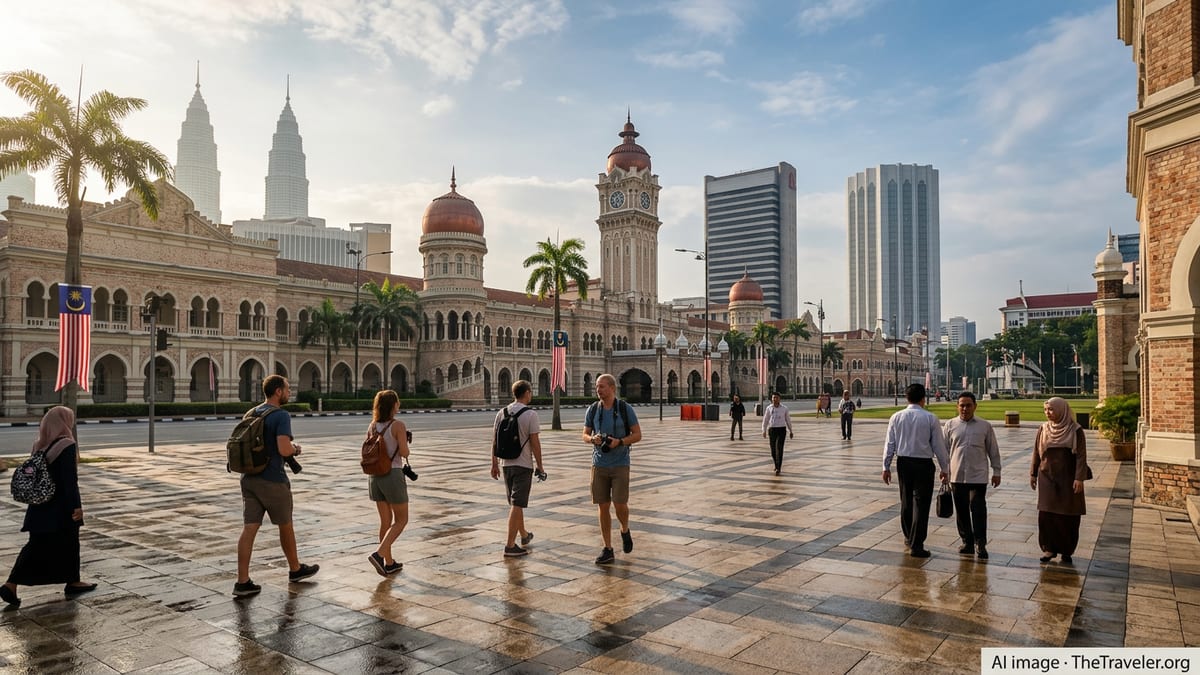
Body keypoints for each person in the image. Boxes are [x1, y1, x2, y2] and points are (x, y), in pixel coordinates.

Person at [1, 407, 97, 608]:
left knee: (37, 544)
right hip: (61, 506)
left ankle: (69, 580)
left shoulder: (40, 445)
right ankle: (14, 584)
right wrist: (76, 507)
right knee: (68, 541)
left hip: (40, 506)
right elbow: (69, 480)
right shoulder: (67, 444)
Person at [233, 375, 319, 597]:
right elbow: (283, 448)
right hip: (272, 479)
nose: (289, 393)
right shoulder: (281, 415)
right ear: (278, 391)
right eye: (287, 389)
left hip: (249, 478)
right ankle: (295, 569)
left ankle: (242, 582)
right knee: (285, 525)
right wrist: (296, 448)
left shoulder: (252, 413)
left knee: (249, 529)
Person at [881, 383, 949, 558]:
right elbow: (938, 446)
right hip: (924, 464)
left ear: (906, 397)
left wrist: (886, 467)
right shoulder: (930, 418)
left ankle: (908, 536)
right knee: (921, 503)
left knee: (906, 501)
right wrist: (945, 468)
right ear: (923, 399)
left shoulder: (896, 417)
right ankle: (917, 543)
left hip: (904, 463)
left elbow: (890, 444)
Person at [583, 373, 642, 565]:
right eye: (597, 387)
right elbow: (584, 434)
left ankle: (624, 529)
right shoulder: (593, 409)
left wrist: (621, 442)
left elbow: (637, 434)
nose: (598, 390)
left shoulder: (625, 409)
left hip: (620, 463)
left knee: (620, 504)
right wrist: (592, 439)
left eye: (601, 386)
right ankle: (607, 548)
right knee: (603, 505)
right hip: (599, 463)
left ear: (612, 388)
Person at [1031, 397, 1089, 565]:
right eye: (1045, 410)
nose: (1048, 413)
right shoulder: (1043, 429)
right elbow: (1036, 451)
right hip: (1047, 477)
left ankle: (1066, 550)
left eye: (1051, 409)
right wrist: (1033, 473)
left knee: (1068, 514)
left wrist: (1079, 478)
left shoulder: (1075, 430)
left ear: (1061, 410)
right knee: (1046, 514)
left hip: (1068, 477)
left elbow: (1081, 456)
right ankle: (1048, 549)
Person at [943, 392, 1001, 559]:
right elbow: (944, 451)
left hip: (978, 475)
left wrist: (997, 471)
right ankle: (967, 541)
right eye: (962, 405)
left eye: (968, 405)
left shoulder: (985, 426)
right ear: (957, 406)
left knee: (978, 509)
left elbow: (993, 450)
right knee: (961, 511)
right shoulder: (950, 425)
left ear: (975, 406)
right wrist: (944, 471)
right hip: (957, 475)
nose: (965, 408)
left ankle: (980, 542)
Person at [491, 380, 544, 557]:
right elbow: (535, 443)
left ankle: (524, 535)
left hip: (506, 464)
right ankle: (509, 545)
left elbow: (495, 441)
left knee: (516, 504)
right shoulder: (530, 415)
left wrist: (494, 464)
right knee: (517, 503)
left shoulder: (501, 412)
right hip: (523, 465)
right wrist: (540, 466)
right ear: (527, 393)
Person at [366, 389, 410, 576]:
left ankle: (389, 562)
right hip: (392, 475)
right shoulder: (398, 425)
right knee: (401, 520)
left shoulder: (372, 426)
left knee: (385, 521)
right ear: (394, 405)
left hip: (375, 476)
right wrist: (405, 441)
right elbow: (404, 453)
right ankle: (379, 554)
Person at [761, 391, 793, 476]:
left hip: (781, 430)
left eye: (776, 398)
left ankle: (779, 468)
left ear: (779, 399)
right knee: (773, 451)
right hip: (772, 430)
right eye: (773, 398)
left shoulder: (784, 408)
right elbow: (765, 420)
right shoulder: (769, 408)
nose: (775, 399)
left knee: (779, 449)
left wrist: (791, 430)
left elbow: (788, 420)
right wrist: (763, 430)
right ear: (771, 399)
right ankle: (776, 464)